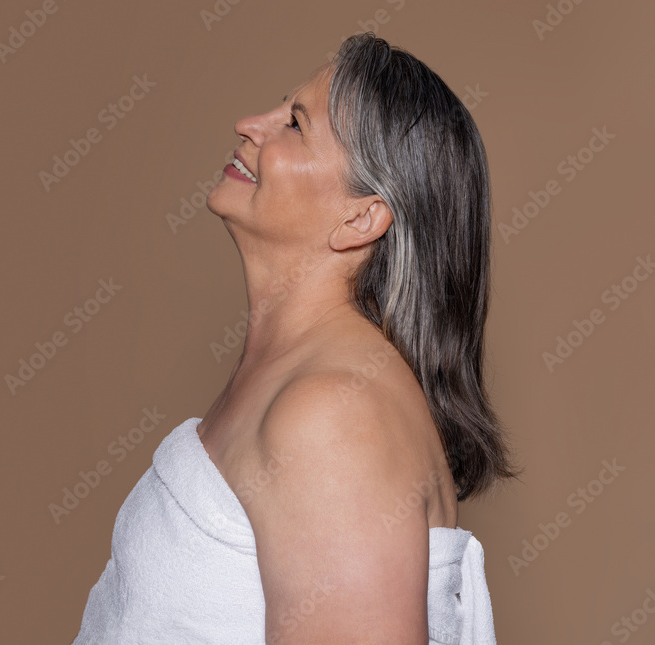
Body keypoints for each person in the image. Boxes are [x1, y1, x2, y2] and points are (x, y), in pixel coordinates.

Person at [71, 32, 522, 644]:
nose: (249, 124)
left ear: (360, 218)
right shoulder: (302, 383)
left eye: (294, 124)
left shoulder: (333, 416)